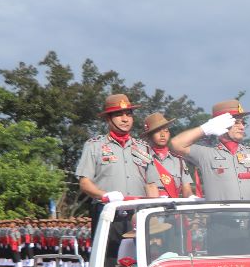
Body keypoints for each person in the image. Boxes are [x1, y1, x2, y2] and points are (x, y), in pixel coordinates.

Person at [169, 100, 250, 201]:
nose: (242, 127)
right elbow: (176, 144)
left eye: (243, 123)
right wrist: (205, 128)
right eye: (236, 122)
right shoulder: (207, 153)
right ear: (221, 123)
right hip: (221, 217)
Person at [76, 93, 150, 233]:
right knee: (110, 255)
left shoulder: (143, 147)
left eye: (128, 114)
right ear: (108, 119)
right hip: (108, 213)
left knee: (140, 254)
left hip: (138, 214)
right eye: (118, 115)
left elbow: (150, 183)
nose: (125, 119)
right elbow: (84, 183)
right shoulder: (94, 146)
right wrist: (104, 195)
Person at [142, 112, 193, 198]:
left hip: (173, 208)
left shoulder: (178, 161)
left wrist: (192, 199)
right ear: (149, 136)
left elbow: (187, 190)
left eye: (166, 131)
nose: (162, 135)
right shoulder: (142, 159)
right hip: (150, 207)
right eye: (158, 131)